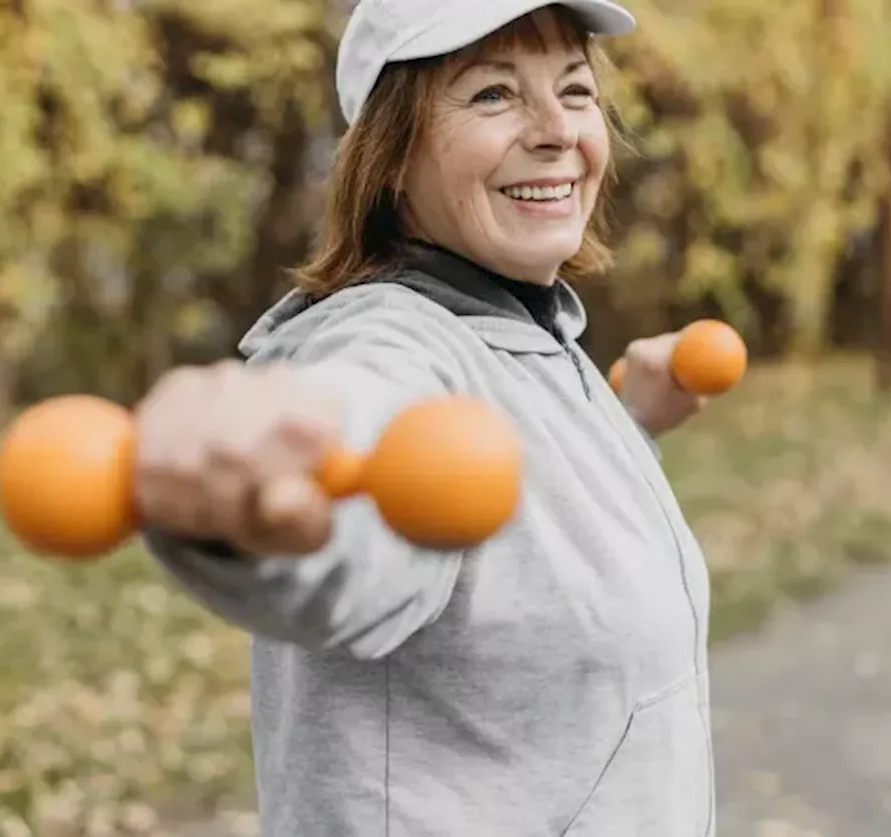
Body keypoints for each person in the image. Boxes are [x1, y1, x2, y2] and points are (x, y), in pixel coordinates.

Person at [137, 1, 719, 834]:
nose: (557, 129)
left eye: (576, 89)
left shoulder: (526, 332)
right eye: (492, 94)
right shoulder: (391, 344)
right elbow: (367, 472)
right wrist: (263, 515)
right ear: (391, 160)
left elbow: (519, 539)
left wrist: (628, 425)